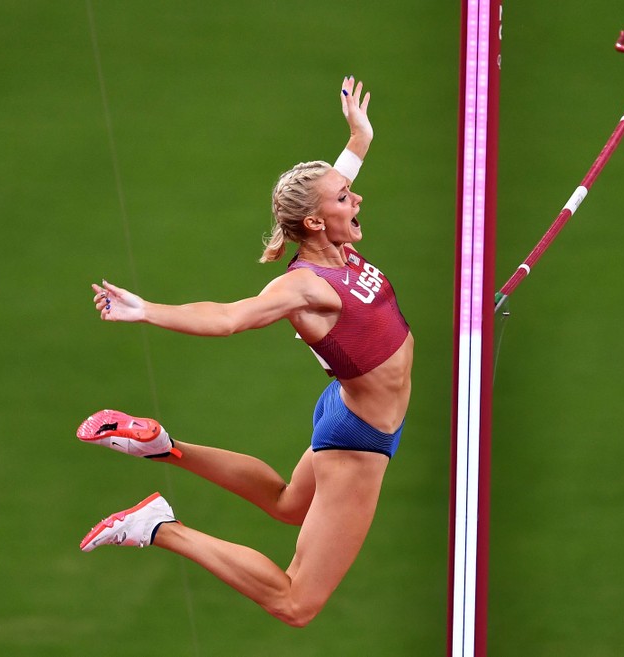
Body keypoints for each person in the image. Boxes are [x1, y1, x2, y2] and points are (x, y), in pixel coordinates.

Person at [77, 76, 413, 628]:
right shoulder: (306, 286)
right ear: (314, 221)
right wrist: (148, 310)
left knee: (287, 504)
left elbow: (333, 185)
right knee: (295, 602)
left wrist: (359, 138)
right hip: (361, 439)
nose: (357, 197)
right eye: (345, 197)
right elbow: (227, 317)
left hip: (346, 407)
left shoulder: (330, 239)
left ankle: (164, 448)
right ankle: (159, 528)